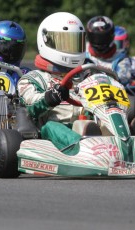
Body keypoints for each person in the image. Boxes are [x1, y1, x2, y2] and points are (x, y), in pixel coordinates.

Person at [17, 12, 87, 155]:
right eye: (64, 43)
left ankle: (130, 143)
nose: (71, 49)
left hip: (88, 127)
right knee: (52, 126)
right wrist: (50, 98)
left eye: (75, 42)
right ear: (45, 40)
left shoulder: (88, 77)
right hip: (51, 135)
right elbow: (30, 106)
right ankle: (84, 149)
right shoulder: (33, 78)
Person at [85, 16, 135, 86]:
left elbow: (124, 80)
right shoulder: (82, 53)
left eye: (103, 38)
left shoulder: (121, 59)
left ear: (112, 36)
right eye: (96, 38)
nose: (99, 42)